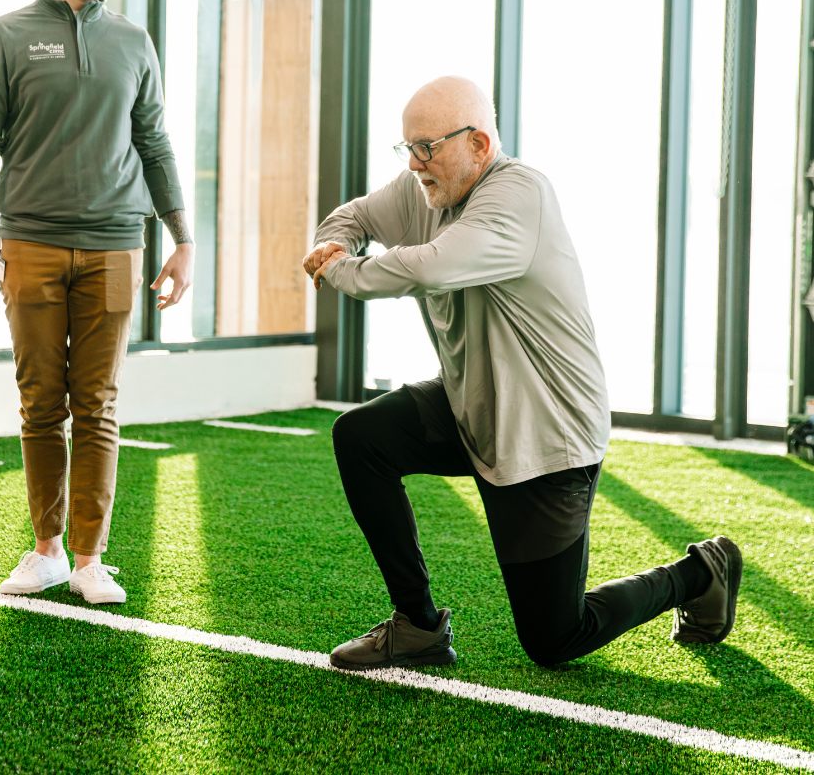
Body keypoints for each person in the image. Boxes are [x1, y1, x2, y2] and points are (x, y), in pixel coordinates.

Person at [303, 76, 741, 670]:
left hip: (546, 436)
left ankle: (699, 572)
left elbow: (429, 267)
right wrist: (333, 243)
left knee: (555, 638)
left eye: (426, 148)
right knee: (361, 436)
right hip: (472, 406)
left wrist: (340, 270)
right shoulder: (422, 190)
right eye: (407, 147)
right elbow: (352, 216)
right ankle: (417, 626)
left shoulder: (519, 195)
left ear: (479, 144)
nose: (413, 164)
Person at [0, 0, 193, 606]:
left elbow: (155, 144)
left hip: (117, 247)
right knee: (40, 403)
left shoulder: (134, 43)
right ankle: (46, 551)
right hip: (29, 242)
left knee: (98, 403)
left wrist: (183, 239)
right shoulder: (6, 34)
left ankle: (90, 559)